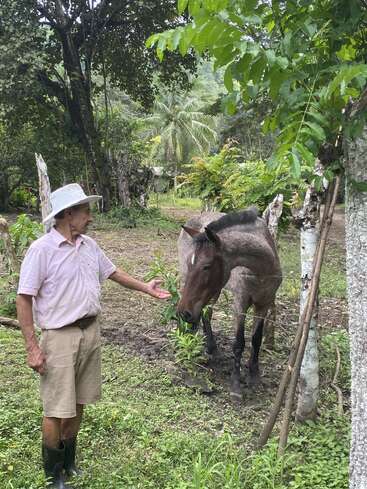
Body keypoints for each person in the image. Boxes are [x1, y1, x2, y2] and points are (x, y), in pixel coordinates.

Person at [16, 183, 171, 489]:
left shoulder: (89, 246)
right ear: (68, 214)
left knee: (79, 403)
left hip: (90, 333)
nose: (90, 216)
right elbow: (24, 298)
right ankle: (53, 476)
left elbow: (113, 273)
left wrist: (146, 288)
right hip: (59, 337)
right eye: (85, 211)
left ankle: (69, 464)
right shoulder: (41, 250)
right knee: (56, 409)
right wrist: (32, 347)